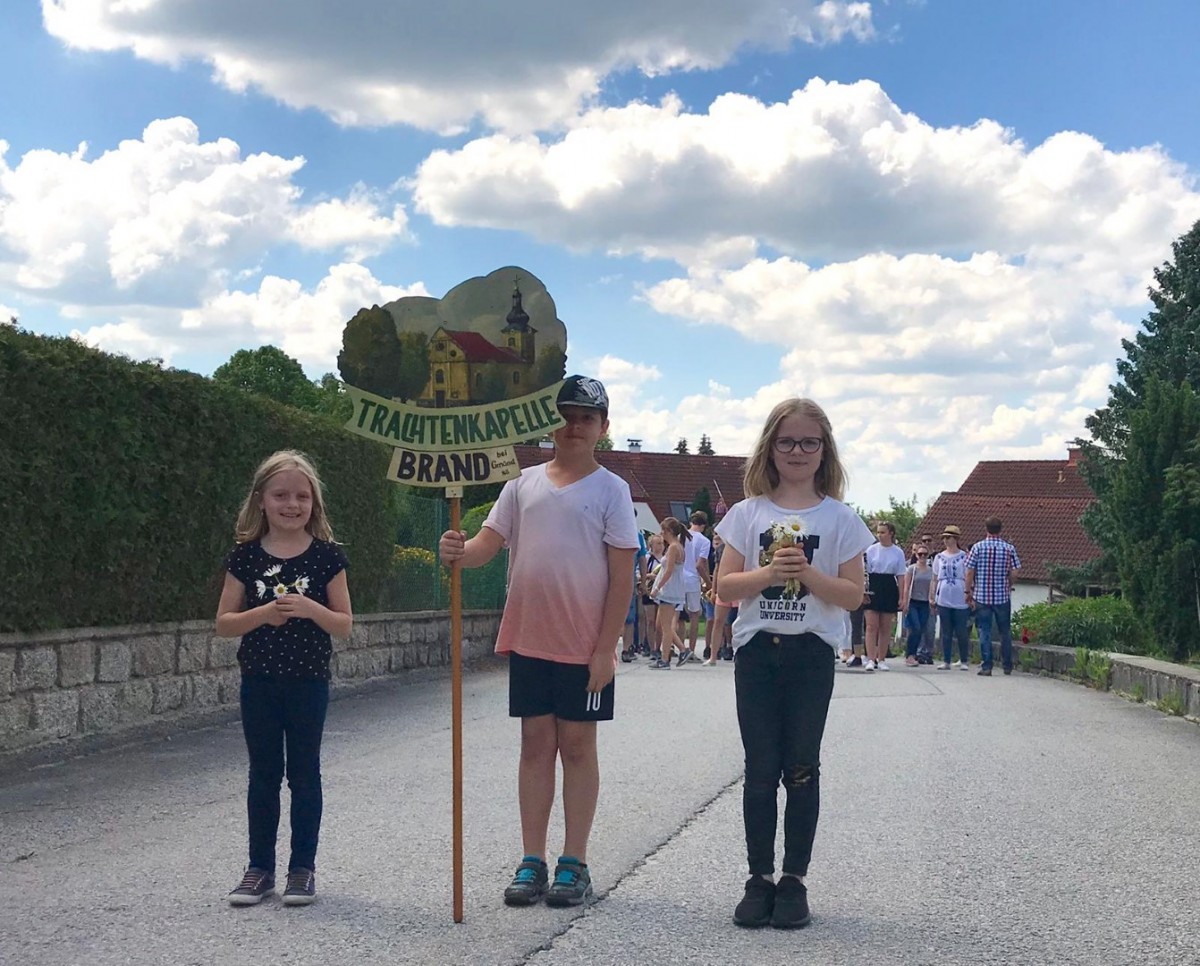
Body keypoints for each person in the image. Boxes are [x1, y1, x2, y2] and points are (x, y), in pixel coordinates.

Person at [438, 375, 638, 908]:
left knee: (577, 747)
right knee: (534, 746)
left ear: (603, 427)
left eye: (586, 418)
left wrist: (606, 648)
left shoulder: (612, 490)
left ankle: (575, 860)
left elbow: (622, 578)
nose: (574, 426)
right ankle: (532, 858)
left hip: (583, 644)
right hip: (530, 638)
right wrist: (457, 550)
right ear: (551, 422)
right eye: (566, 416)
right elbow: (485, 546)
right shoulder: (521, 484)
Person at [715, 398, 874, 929]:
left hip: (811, 654)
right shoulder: (748, 513)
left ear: (824, 449)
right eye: (787, 441)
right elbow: (724, 587)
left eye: (809, 442)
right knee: (760, 768)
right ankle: (758, 878)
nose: (798, 451)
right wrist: (769, 573)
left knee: (802, 767)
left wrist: (806, 574)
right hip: (758, 652)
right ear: (770, 447)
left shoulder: (840, 518)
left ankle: (793, 880)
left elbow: (852, 595)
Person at [217, 450, 353, 907]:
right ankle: (259, 868)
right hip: (259, 681)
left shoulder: (328, 557)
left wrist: (311, 609)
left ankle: (302, 869)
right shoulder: (245, 556)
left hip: (308, 682)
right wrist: (262, 614)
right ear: (261, 500)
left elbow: (344, 623)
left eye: (301, 496)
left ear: (314, 502)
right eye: (281, 495)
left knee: (304, 774)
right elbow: (224, 623)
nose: (291, 504)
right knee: (263, 774)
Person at [966, 516, 1022, 676]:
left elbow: (969, 571)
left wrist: (968, 591)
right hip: (1002, 596)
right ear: (1000, 529)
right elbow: (1015, 571)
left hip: (982, 596)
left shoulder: (977, 547)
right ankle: (1007, 665)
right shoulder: (1009, 548)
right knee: (1005, 631)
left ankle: (987, 666)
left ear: (986, 529)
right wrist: (1009, 583)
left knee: (984, 630)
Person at [863, 521, 906, 671]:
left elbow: (901, 576)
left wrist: (902, 597)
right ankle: (870, 658)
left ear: (891, 534)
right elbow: (865, 571)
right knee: (871, 625)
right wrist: (864, 590)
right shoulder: (871, 550)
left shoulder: (898, 552)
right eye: (878, 532)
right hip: (874, 584)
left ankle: (881, 659)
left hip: (889, 585)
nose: (879, 535)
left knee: (885, 626)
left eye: (883, 532)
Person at [649, 517, 690, 668]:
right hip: (672, 589)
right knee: (662, 625)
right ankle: (683, 650)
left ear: (669, 531)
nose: (662, 533)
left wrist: (657, 588)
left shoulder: (673, 547)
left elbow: (669, 570)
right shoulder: (677, 546)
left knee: (666, 627)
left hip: (669, 590)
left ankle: (665, 659)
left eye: (663, 530)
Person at [930, 525, 971, 670]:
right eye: (944, 538)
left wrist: (969, 593)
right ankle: (946, 660)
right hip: (944, 595)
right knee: (946, 631)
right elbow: (934, 578)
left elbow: (969, 575)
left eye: (948, 537)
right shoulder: (939, 557)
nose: (945, 540)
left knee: (961, 630)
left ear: (956, 539)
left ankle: (964, 660)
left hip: (959, 594)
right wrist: (932, 596)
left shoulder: (964, 556)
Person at [681, 511, 712, 663]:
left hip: (678, 577)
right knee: (694, 615)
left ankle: (677, 647)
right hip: (692, 579)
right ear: (703, 526)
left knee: (676, 615)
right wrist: (708, 582)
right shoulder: (704, 541)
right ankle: (691, 650)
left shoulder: (681, 536)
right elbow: (700, 565)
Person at [901, 543, 934, 666]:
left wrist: (932, 600)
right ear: (916, 555)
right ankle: (910, 654)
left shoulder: (931, 571)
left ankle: (915, 654)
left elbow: (933, 586)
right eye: (920, 554)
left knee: (922, 629)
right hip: (913, 602)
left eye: (925, 554)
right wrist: (905, 602)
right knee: (915, 628)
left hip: (925, 603)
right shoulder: (912, 569)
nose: (922, 556)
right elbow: (906, 586)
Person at [620, 526, 649, 663]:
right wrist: (643, 581)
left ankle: (623, 648)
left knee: (626, 617)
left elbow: (642, 560)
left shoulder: (609, 529)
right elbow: (642, 559)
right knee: (629, 618)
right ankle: (626, 649)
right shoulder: (637, 536)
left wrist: (643, 580)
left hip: (612, 579)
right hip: (628, 580)